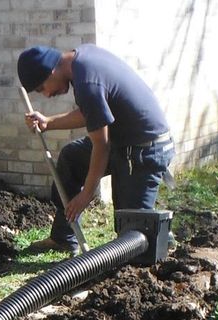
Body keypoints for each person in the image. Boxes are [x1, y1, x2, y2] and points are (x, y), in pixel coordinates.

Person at [16, 44, 174, 255]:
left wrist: (87, 194)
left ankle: (165, 241)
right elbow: (93, 111)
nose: (46, 95)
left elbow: (102, 144)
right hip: (123, 142)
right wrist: (48, 122)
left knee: (133, 233)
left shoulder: (87, 81)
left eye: (41, 88)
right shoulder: (83, 58)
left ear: (50, 71)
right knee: (72, 158)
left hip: (144, 150)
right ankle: (63, 237)